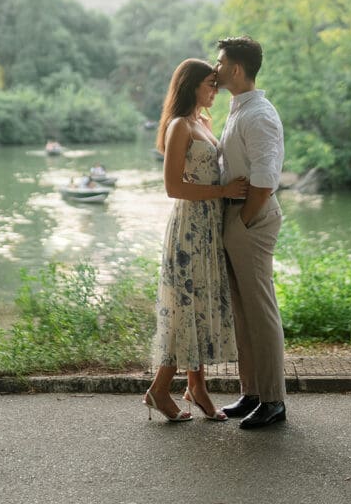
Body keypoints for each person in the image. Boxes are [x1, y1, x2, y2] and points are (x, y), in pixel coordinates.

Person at [143, 59, 248, 423]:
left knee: (199, 306)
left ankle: (197, 386)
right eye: (209, 84)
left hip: (208, 227)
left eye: (216, 84)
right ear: (190, 86)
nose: (215, 91)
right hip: (189, 229)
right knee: (184, 307)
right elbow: (173, 187)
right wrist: (222, 190)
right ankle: (159, 389)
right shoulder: (179, 126)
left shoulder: (203, 123)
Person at [214, 35, 288, 429]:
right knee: (243, 313)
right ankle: (253, 392)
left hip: (251, 217)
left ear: (236, 69)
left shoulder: (259, 114)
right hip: (238, 215)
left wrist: (242, 223)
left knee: (260, 311)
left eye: (221, 61)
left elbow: (265, 179)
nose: (216, 67)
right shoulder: (239, 108)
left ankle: (274, 400)